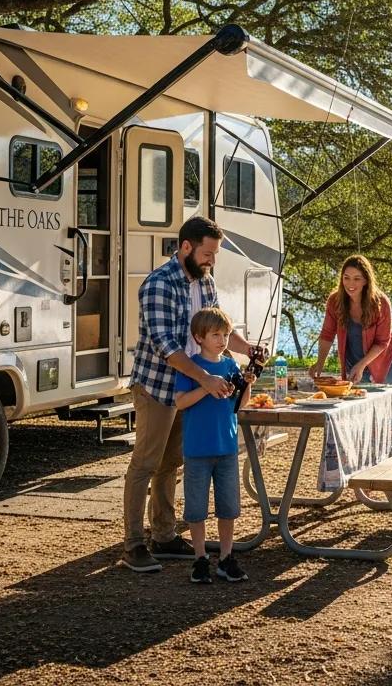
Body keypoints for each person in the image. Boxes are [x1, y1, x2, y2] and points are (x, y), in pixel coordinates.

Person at [121, 215, 255, 573]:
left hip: (192, 386)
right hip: (157, 386)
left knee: (170, 463)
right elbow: (168, 348)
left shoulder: (205, 282)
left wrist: (248, 348)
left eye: (215, 254)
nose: (212, 260)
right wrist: (207, 380)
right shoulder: (158, 285)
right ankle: (133, 543)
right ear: (186, 248)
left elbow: (218, 326)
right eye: (208, 253)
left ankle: (163, 535)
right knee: (145, 463)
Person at [174, 306, 253, 584]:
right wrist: (205, 386)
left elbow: (239, 405)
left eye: (226, 334)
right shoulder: (192, 367)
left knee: (228, 506)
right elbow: (180, 402)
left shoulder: (231, 365)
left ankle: (226, 557)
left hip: (227, 448)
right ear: (199, 337)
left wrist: (246, 386)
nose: (222, 340)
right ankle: (200, 558)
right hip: (197, 450)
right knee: (196, 508)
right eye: (216, 334)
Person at [309, 255, 392, 385]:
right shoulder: (335, 301)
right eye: (346, 278)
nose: (350, 284)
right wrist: (320, 362)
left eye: (357, 279)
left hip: (384, 360)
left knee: (386, 400)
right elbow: (327, 334)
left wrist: (362, 365)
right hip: (353, 360)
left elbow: (382, 342)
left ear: (366, 281)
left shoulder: (381, 303)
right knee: (356, 399)